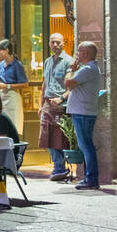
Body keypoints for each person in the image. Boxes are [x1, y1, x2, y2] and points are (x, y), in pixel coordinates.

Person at [64, 41, 102, 190]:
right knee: (86, 145)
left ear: (85, 54)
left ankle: (91, 179)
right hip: (83, 112)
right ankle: (90, 178)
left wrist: (70, 69)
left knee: (86, 146)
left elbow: (68, 83)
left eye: (78, 52)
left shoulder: (87, 69)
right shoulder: (89, 69)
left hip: (83, 113)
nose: (76, 55)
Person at [39, 32, 73, 182]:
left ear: (64, 43)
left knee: (59, 137)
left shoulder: (69, 62)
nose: (55, 45)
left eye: (58, 42)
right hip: (47, 104)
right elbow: (44, 83)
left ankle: (59, 167)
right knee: (45, 137)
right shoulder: (47, 61)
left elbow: (71, 86)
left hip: (61, 105)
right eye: (53, 42)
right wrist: (40, 105)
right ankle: (59, 165)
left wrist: (61, 99)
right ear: (49, 44)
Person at [0, 39, 28, 138]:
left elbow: (25, 84)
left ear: (7, 50)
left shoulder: (17, 65)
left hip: (12, 97)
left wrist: (7, 86)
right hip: (2, 96)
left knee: (13, 127)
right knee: (2, 127)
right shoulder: (1, 65)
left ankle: (14, 151)